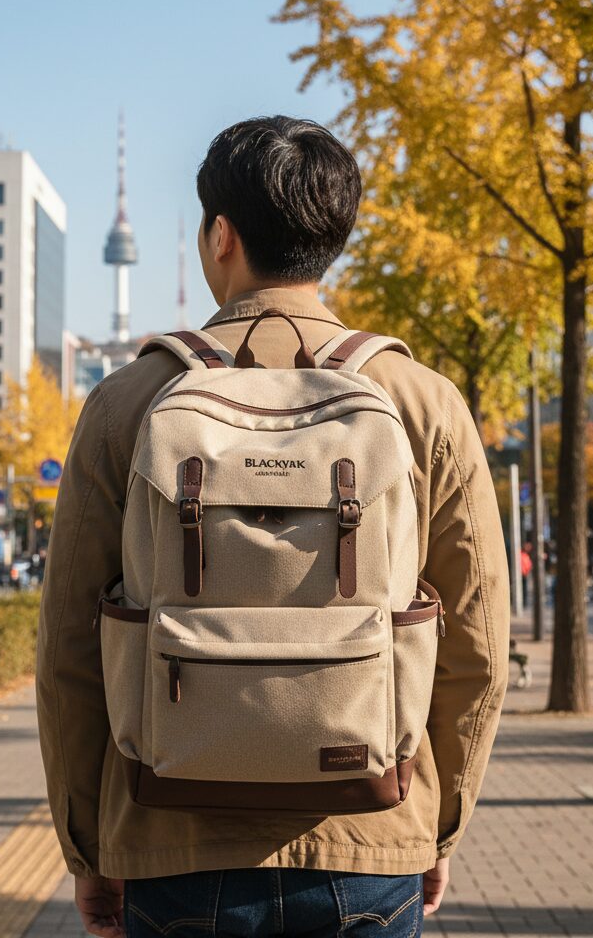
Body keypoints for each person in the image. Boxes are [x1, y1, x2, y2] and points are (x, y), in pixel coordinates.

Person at [37, 116, 510, 937]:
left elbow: (70, 648)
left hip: (169, 836)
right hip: (372, 832)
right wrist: (439, 822)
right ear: (333, 239)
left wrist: (91, 846)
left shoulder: (125, 402)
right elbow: (478, 643)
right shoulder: (421, 399)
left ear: (221, 235)